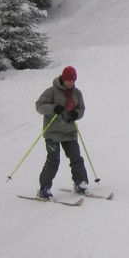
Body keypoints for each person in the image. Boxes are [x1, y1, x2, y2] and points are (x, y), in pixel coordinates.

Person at [35, 66, 88, 199]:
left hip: (69, 132)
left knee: (76, 158)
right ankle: (44, 188)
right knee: (53, 160)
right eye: (69, 80)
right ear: (63, 79)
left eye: (73, 80)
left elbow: (81, 109)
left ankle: (80, 183)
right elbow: (39, 106)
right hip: (52, 133)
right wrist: (53, 108)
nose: (71, 82)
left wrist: (76, 114)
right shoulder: (51, 91)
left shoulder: (77, 93)